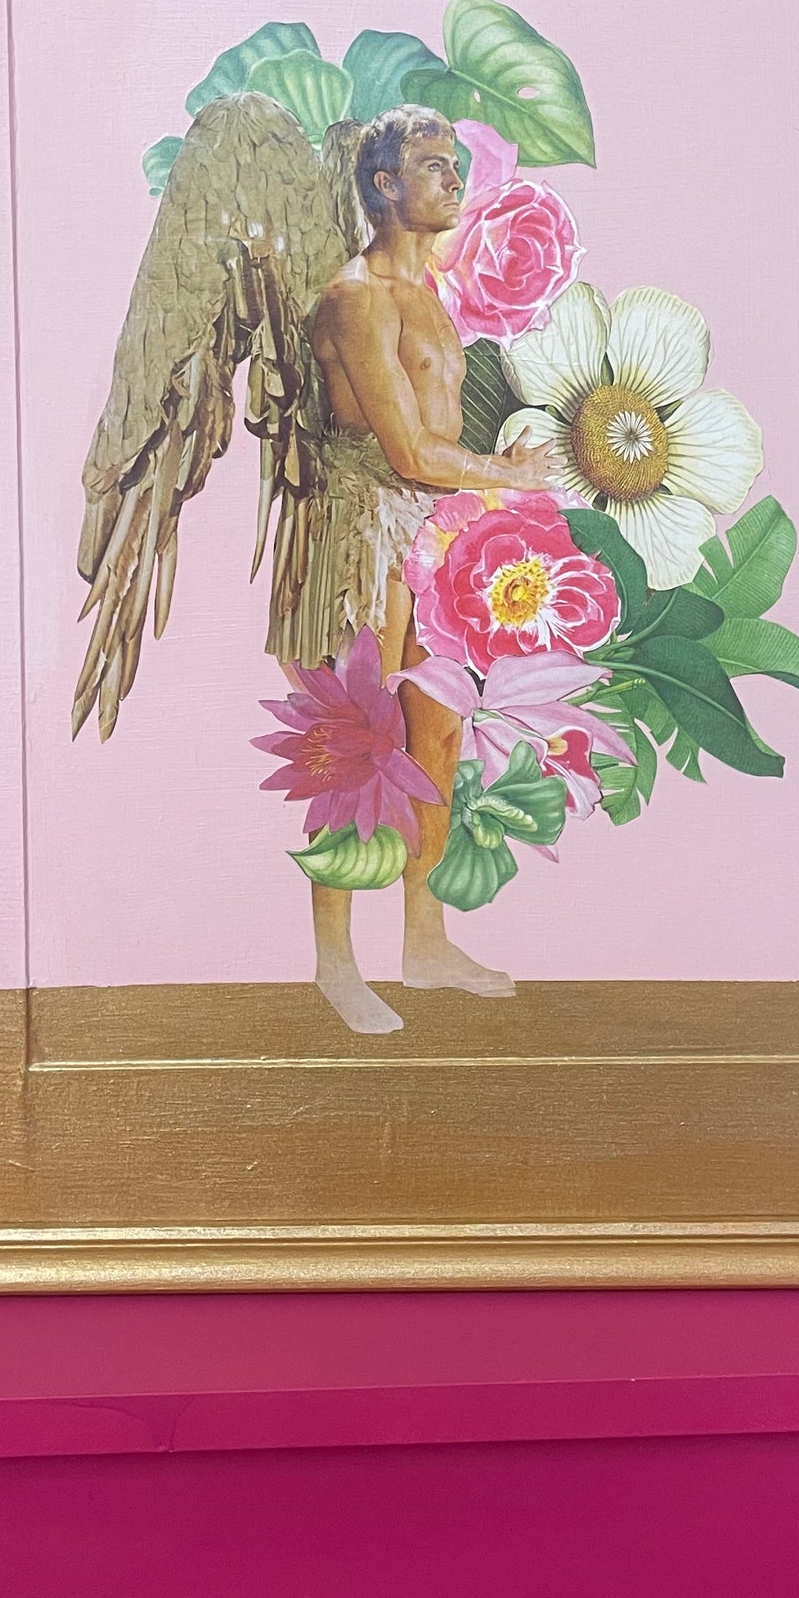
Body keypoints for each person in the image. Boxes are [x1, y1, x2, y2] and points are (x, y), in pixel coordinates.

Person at [283, 105, 554, 1032]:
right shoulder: (356, 296)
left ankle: (426, 943)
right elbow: (403, 448)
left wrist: (498, 469)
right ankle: (334, 963)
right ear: (385, 184)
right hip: (364, 532)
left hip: (432, 533)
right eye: (434, 165)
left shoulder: (429, 291)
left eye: (455, 163)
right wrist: (508, 475)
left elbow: (438, 438)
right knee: (358, 739)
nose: (454, 177)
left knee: (436, 736)